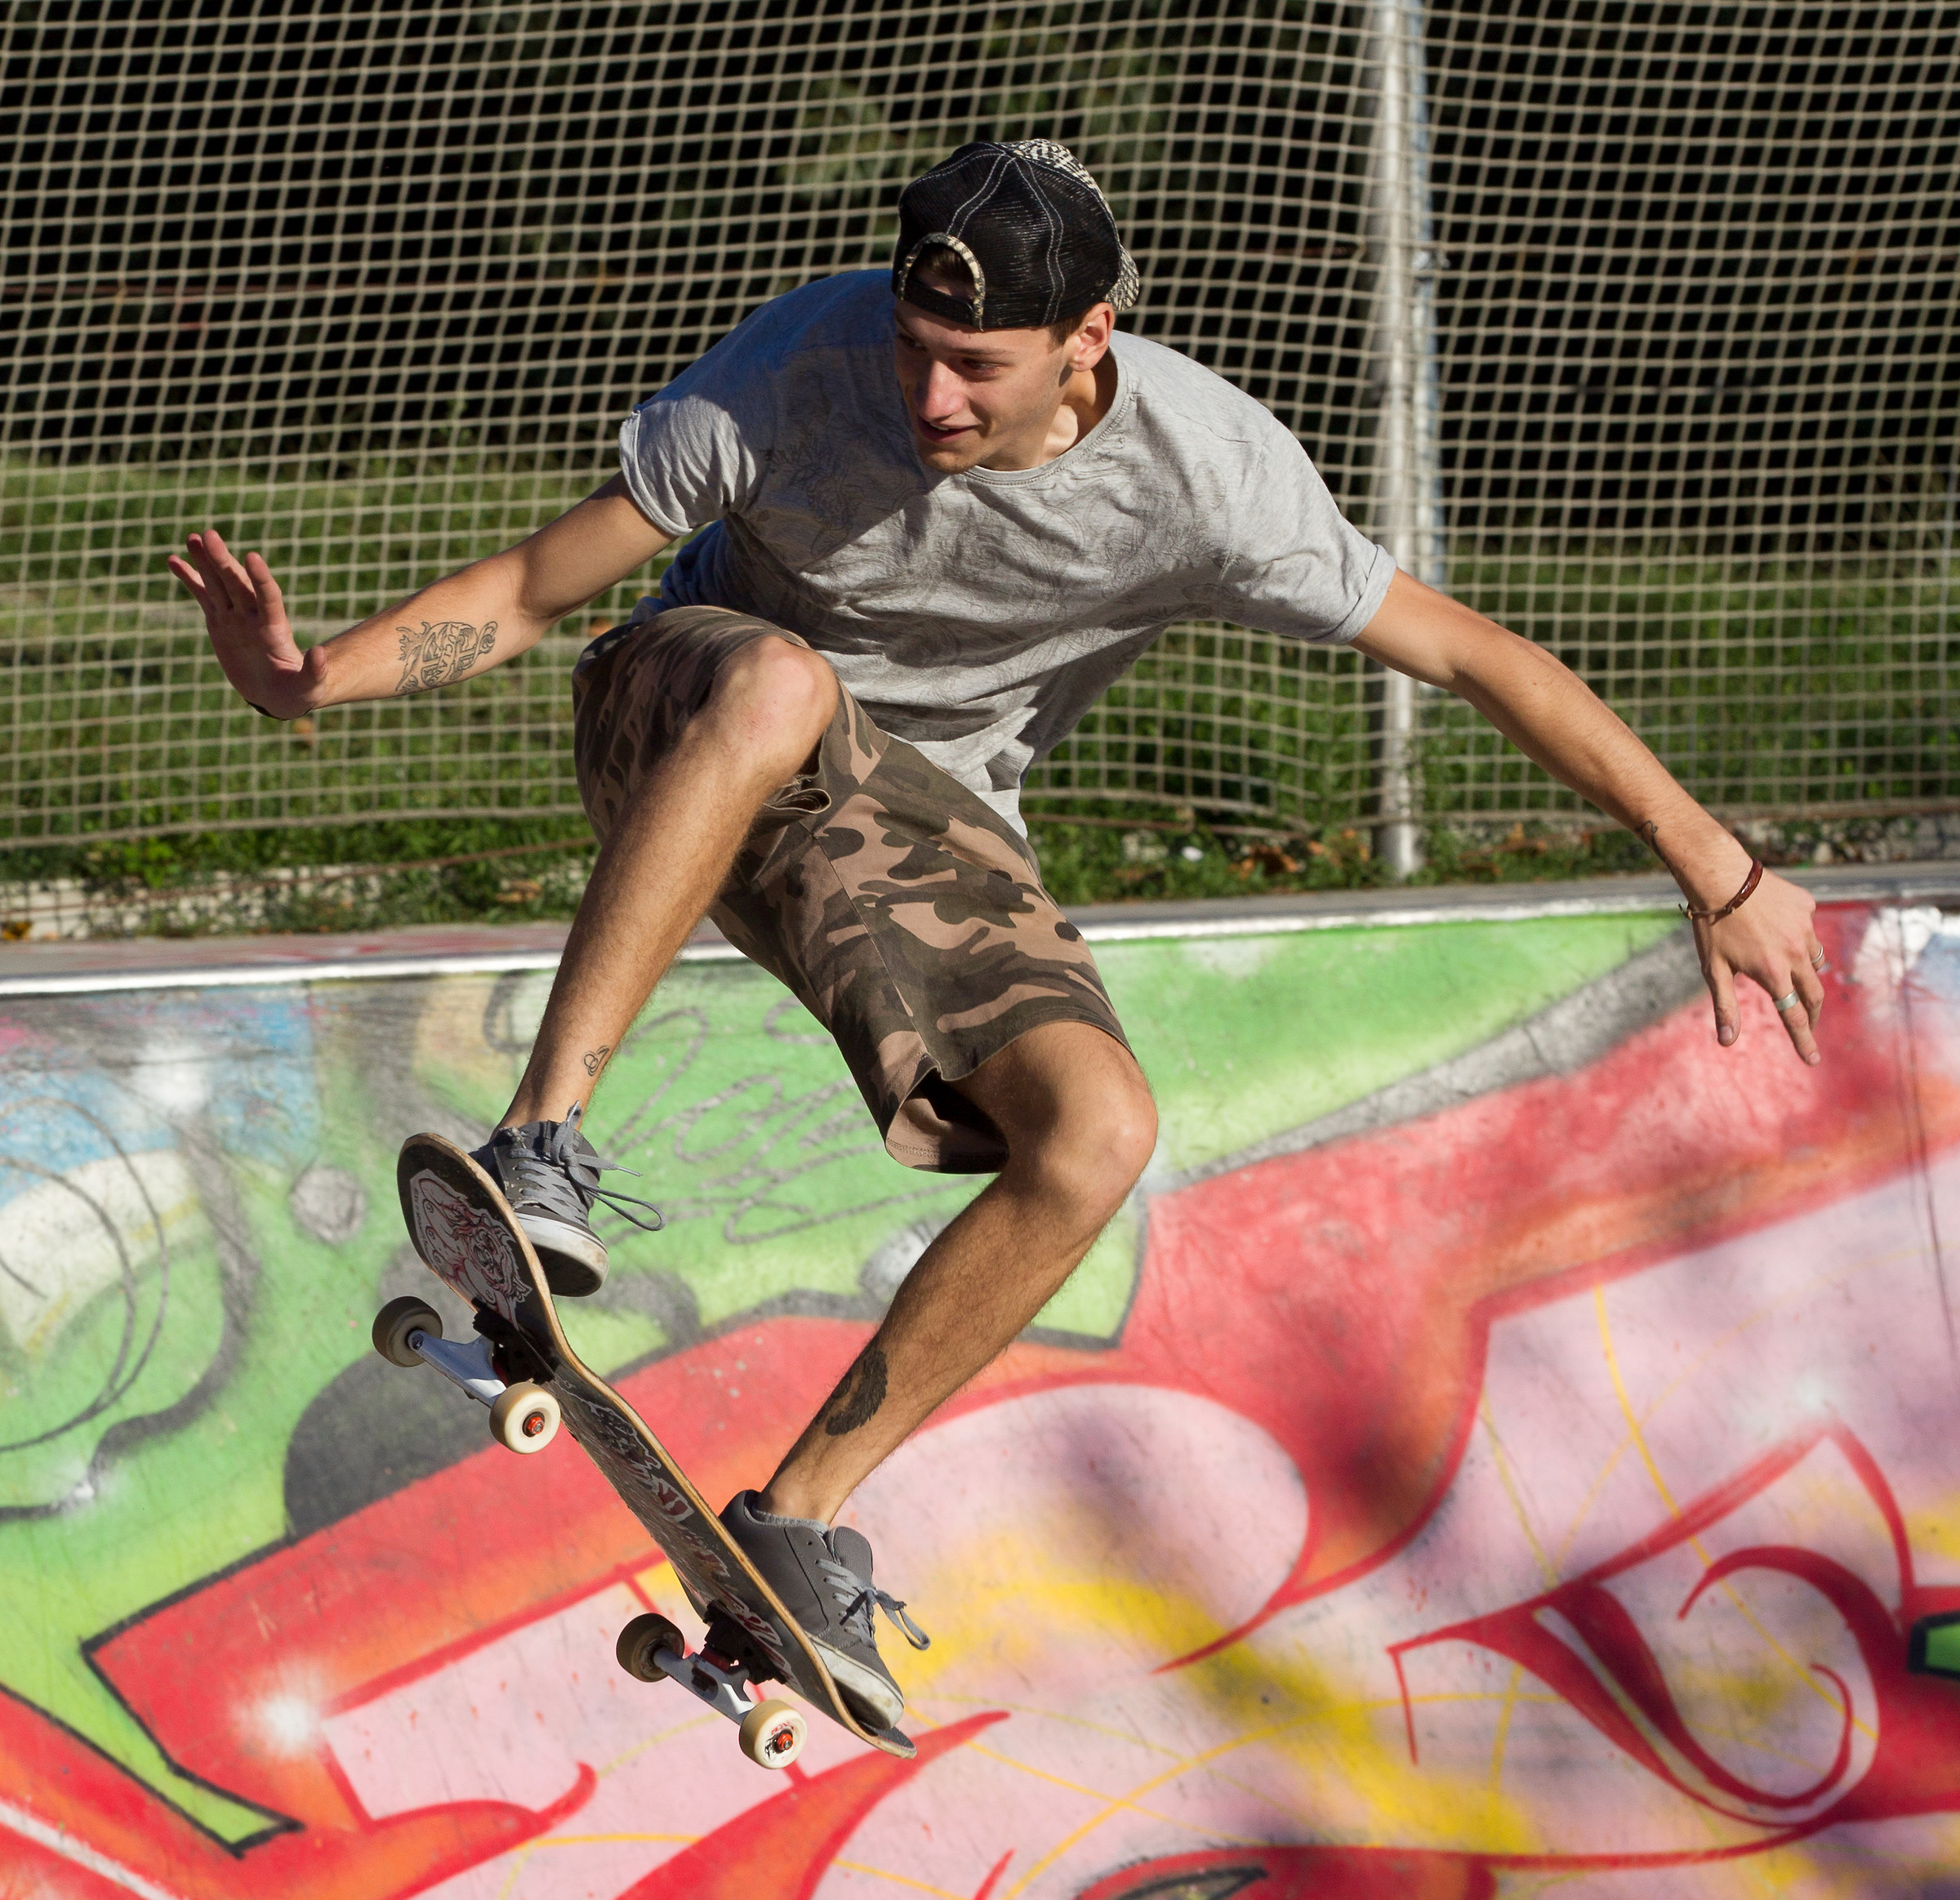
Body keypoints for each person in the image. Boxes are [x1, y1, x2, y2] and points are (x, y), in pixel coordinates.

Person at [168, 138, 1828, 1730]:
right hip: (686, 716)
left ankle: (794, 1523)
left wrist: (1721, 869)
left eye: (976, 364)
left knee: (1097, 1130)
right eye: (912, 346)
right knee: (779, 680)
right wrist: (315, 681)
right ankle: (540, 1143)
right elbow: (541, 588)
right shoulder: (796, 368)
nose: (930, 395)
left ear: (1089, 338)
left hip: (914, 820)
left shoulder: (1211, 472)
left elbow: (1468, 651)